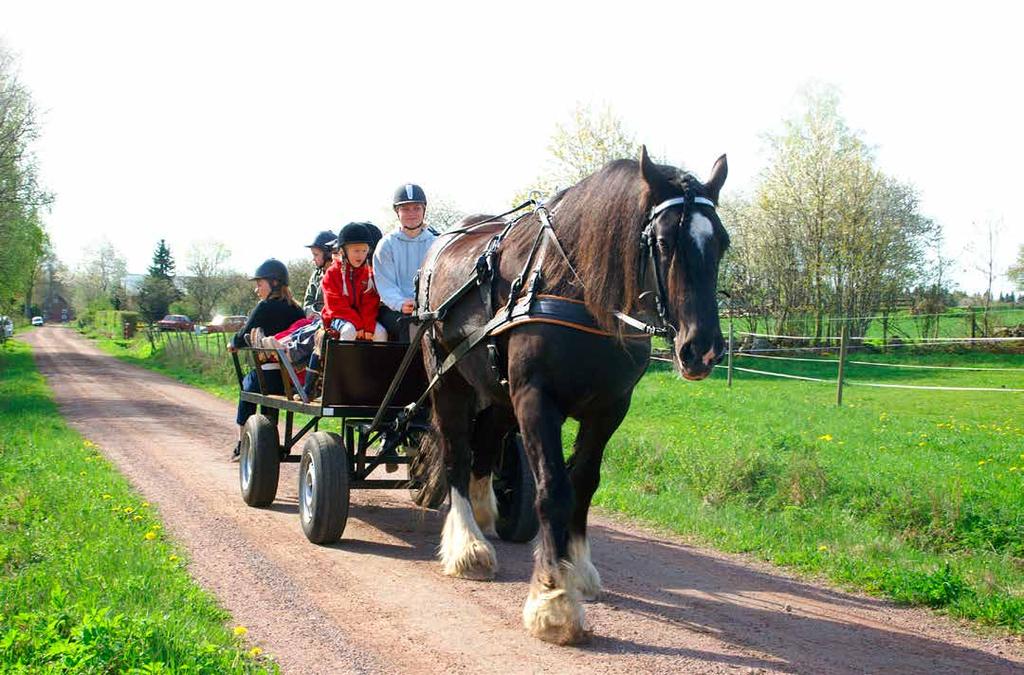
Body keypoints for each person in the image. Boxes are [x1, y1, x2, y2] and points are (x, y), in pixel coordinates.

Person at [228, 258, 305, 460]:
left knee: (247, 387)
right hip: (292, 379)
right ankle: (269, 437)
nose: (257, 290)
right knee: (269, 391)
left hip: (269, 375)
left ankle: (241, 443)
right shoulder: (298, 310)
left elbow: (243, 336)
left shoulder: (264, 307)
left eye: (259, 284)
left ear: (274, 283)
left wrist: (233, 343)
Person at [373, 183, 437, 340]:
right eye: (406, 209)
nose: (412, 213)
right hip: (394, 308)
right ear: (397, 211)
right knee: (410, 327)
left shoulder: (436, 243)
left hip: (428, 307)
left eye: (416, 208)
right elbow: (385, 285)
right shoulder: (386, 245)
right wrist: (401, 303)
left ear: (424, 210)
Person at [322, 222, 388, 342]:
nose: (361, 255)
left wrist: (368, 325)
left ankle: (376, 361)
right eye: (356, 251)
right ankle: (342, 361)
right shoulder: (332, 274)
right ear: (342, 251)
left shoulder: (367, 274)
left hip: (361, 319)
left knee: (380, 332)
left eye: (364, 251)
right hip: (337, 318)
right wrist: (357, 324)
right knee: (349, 330)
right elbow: (335, 305)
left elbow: (370, 302)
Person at [302, 230, 337, 319]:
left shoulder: (340, 274)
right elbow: (308, 302)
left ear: (328, 254)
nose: (313, 259)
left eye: (316, 255)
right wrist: (311, 313)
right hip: (314, 320)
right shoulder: (316, 276)